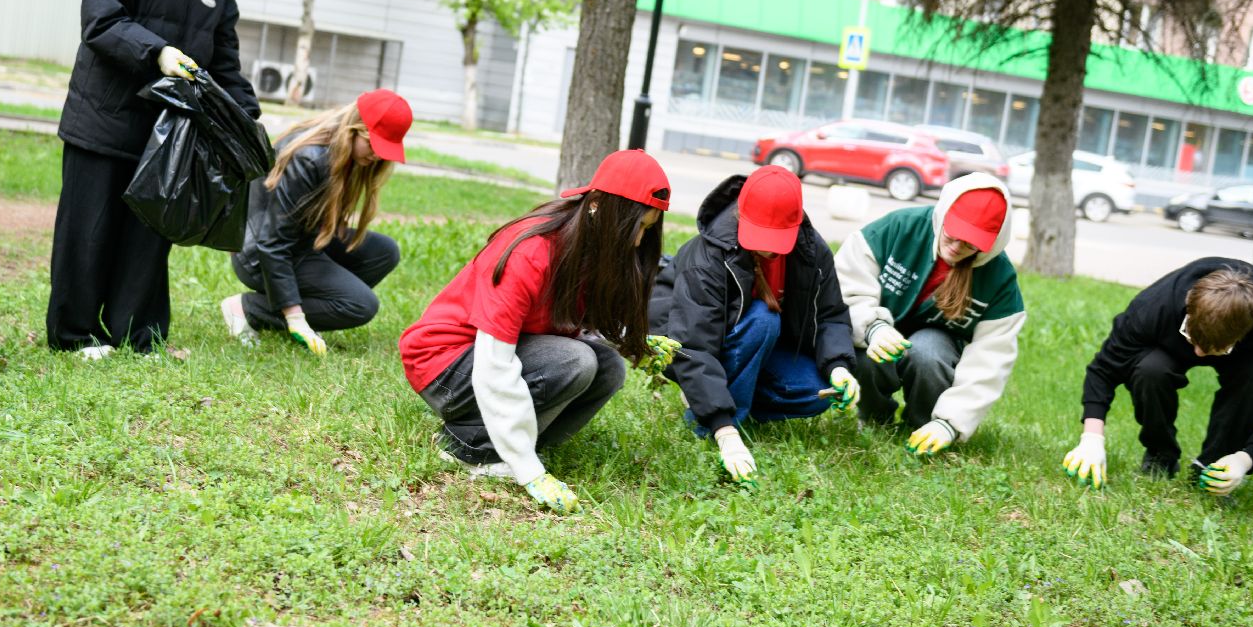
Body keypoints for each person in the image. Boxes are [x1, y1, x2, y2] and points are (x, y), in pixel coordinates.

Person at [47, 0, 270, 358]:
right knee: (88, 232)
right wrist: (158, 52)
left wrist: (246, 118)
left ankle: (136, 336)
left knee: (149, 236)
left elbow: (226, 64)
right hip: (102, 123)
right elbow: (100, 20)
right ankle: (75, 335)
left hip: (165, 139)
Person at [399, 150, 670, 514]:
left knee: (608, 368)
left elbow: (567, 322)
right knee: (576, 361)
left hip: (491, 356)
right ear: (598, 207)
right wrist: (529, 472)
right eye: (635, 227)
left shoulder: (591, 249)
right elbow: (495, 364)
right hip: (444, 363)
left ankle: (509, 445)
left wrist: (631, 343)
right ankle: (468, 446)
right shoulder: (531, 250)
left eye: (647, 230)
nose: (638, 241)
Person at [647, 166, 859, 488]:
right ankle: (713, 413)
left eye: (777, 237)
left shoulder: (812, 250)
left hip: (760, 346)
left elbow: (829, 314)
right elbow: (693, 346)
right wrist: (724, 430)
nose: (769, 248)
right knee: (763, 318)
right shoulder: (707, 256)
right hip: (694, 344)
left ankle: (727, 396)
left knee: (817, 392)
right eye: (760, 235)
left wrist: (839, 367)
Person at [1062, 258, 1253, 494]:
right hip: (1164, 350)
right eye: (1191, 338)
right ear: (1187, 307)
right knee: (1151, 369)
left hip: (1247, 360)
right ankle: (1161, 457)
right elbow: (1104, 368)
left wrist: (1246, 458)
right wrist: (1092, 438)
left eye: (1213, 349)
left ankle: (1214, 467)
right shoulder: (1155, 305)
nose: (1198, 353)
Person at [835, 173, 1026, 455]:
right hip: (877, 327)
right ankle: (874, 421)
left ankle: (925, 428)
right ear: (943, 213)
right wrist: (873, 327)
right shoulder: (900, 227)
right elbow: (844, 286)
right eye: (953, 234)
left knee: (928, 351)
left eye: (971, 244)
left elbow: (990, 361)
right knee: (865, 353)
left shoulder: (999, 279)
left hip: (938, 348)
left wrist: (952, 422)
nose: (957, 247)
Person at [223, 89, 412, 352]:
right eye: (373, 145)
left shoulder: (339, 147)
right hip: (260, 256)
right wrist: (296, 318)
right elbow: (273, 243)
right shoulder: (311, 158)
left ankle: (312, 305)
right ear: (354, 130)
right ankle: (248, 308)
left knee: (383, 252)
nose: (377, 156)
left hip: (303, 240)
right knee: (360, 305)